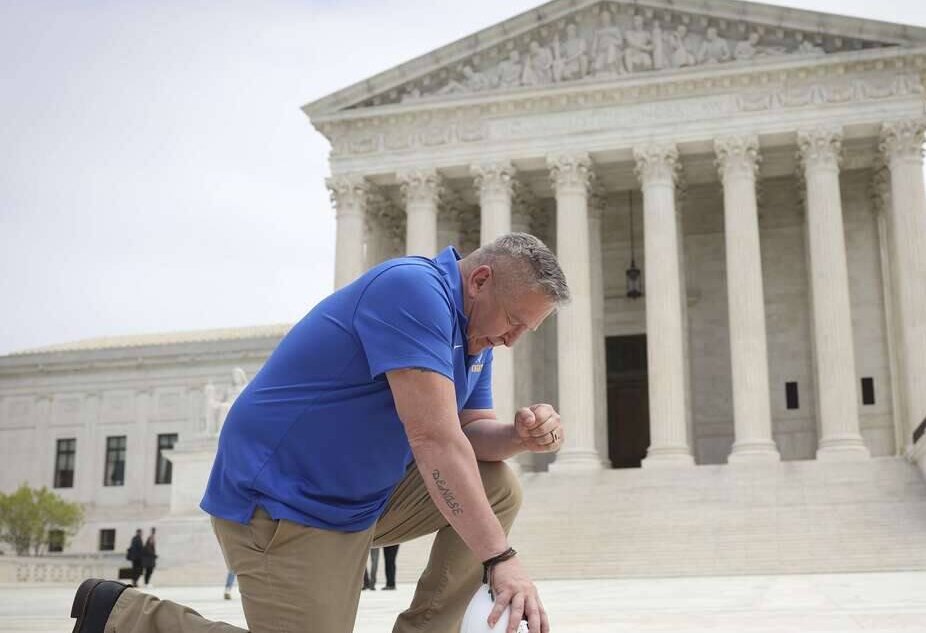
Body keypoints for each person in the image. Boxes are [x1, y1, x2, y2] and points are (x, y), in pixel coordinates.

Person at [70, 233, 568, 633]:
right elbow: (435, 440)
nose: (511, 341)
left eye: (526, 331)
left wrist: (518, 437)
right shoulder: (414, 291)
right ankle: (124, 617)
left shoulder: (473, 335)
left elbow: (471, 432)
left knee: (498, 483)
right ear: (479, 280)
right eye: (513, 322)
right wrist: (500, 558)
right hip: (283, 502)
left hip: (359, 500)